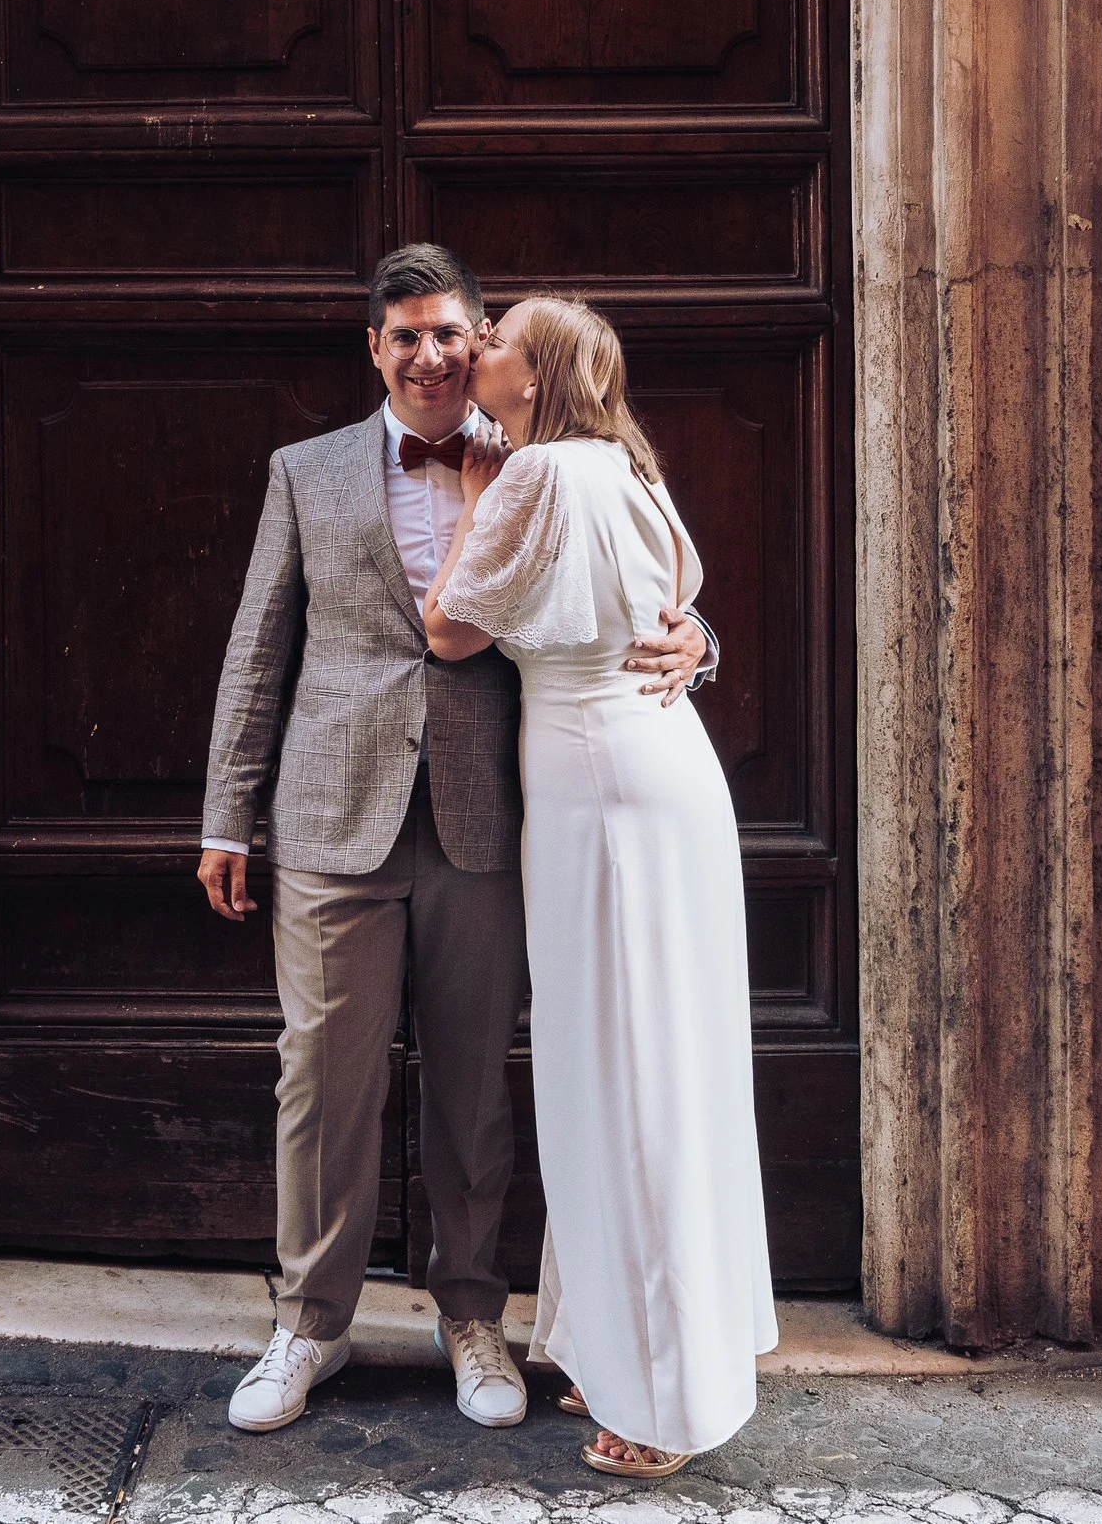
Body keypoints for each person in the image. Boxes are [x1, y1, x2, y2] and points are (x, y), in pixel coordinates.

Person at [198, 246, 718, 1435]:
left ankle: (472, 1313)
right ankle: (308, 1323)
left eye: (450, 332)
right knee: (324, 1074)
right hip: (334, 811)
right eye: (405, 337)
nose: (431, 354)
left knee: (476, 1079)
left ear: (483, 341)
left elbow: (643, 591)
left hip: (491, 817)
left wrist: (702, 644)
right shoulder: (308, 470)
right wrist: (228, 812)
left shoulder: (550, 467)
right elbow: (257, 646)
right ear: (373, 351)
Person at [424, 295, 777, 1479]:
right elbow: (677, 596)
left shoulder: (531, 478)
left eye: (498, 338)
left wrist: (476, 499)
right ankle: (613, 1341)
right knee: (656, 1058)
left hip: (596, 783)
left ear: (537, 376)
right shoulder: (626, 464)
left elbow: (451, 630)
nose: (477, 349)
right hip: (659, 766)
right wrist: (702, 642)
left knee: (618, 1073)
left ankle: (663, 1397)